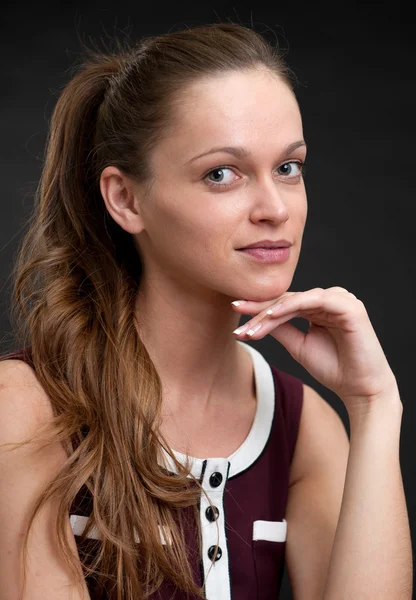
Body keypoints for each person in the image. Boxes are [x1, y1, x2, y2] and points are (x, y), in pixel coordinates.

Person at [0, 21, 411, 600]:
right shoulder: (27, 409)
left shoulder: (303, 426)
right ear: (126, 198)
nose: (274, 208)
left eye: (289, 168)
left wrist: (374, 406)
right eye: (222, 174)